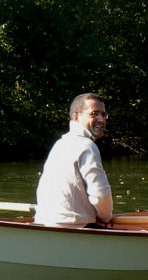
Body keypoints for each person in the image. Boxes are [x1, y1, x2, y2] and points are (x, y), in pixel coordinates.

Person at [34, 93, 114, 227]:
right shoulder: (87, 146)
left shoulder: (60, 144)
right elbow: (100, 194)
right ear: (77, 117)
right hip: (73, 227)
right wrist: (107, 217)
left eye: (103, 115)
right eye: (94, 114)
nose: (101, 120)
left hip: (45, 222)